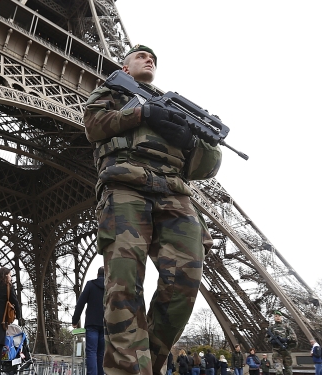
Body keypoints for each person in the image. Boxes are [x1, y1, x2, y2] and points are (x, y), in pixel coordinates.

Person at [84, 44, 222, 375]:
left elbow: (207, 167)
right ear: (125, 66)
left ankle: (147, 363)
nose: (150, 60)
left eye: (154, 59)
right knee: (124, 289)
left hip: (175, 193)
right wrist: (142, 114)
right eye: (141, 56)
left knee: (184, 288)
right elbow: (93, 126)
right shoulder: (113, 91)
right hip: (126, 187)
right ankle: (131, 370)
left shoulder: (176, 110)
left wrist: (194, 140)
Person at [72, 266, 105, 375]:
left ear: (97, 275)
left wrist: (75, 320)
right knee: (101, 354)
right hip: (105, 325)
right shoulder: (111, 287)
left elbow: (80, 303)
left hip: (92, 324)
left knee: (91, 352)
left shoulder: (91, 284)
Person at [268, 311, 297, 375]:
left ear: (281, 317)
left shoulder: (287, 326)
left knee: (289, 371)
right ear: (274, 318)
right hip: (277, 352)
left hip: (286, 351)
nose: (277, 317)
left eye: (279, 316)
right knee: (279, 372)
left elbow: (294, 337)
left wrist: (286, 339)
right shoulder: (271, 328)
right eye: (276, 316)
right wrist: (271, 341)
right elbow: (266, 338)